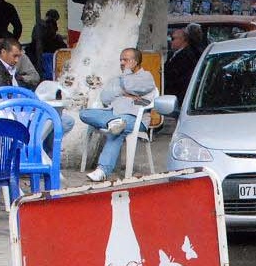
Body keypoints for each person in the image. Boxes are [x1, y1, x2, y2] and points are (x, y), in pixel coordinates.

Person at [80, 47, 156, 182]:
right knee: (84, 114)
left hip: (135, 118)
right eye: (120, 60)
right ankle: (114, 123)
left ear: (136, 61)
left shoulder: (146, 77)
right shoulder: (117, 78)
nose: (122, 63)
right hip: (112, 114)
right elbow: (105, 98)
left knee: (117, 130)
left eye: (126, 60)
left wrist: (126, 80)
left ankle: (102, 170)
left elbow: (131, 87)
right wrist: (124, 93)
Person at [163, 28, 197, 103]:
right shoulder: (174, 54)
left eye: (173, 38)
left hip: (177, 96)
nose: (171, 41)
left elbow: (177, 76)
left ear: (183, 40)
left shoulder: (186, 56)